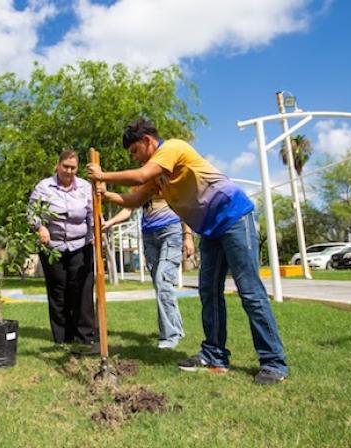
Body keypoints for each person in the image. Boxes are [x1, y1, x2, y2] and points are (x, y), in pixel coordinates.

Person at [87, 118, 288, 385]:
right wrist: (106, 193)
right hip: (211, 230)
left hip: (234, 217)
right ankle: (215, 355)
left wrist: (103, 175)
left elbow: (139, 176)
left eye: (135, 151)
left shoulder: (172, 148)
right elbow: (135, 199)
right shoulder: (159, 175)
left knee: (250, 292)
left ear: (148, 141)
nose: (135, 158)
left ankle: (273, 362)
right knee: (208, 292)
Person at [102, 190, 194, 350]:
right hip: (149, 236)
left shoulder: (166, 175)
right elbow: (129, 208)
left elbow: (183, 205)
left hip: (171, 231)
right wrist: (110, 223)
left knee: (162, 281)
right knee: (162, 285)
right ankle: (176, 330)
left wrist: (188, 236)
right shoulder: (141, 182)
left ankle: (169, 337)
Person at [29, 150, 97, 350]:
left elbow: (92, 214)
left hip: (80, 245)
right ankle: (63, 337)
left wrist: (96, 233)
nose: (69, 171)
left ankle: (85, 336)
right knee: (58, 291)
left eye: (73, 167)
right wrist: (40, 227)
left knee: (82, 290)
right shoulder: (44, 187)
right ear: (57, 166)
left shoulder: (85, 187)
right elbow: (32, 212)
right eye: (65, 166)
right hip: (53, 247)